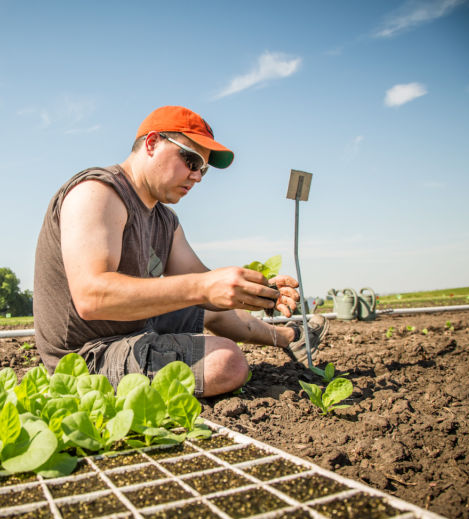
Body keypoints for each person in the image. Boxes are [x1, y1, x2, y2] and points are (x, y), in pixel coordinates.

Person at [33, 106, 328, 397]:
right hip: (84, 359)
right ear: (151, 143)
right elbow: (91, 296)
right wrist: (203, 288)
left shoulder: (165, 220)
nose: (197, 176)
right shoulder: (97, 192)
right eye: (191, 160)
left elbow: (204, 286)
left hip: (133, 330)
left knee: (205, 308)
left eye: (203, 169)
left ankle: (291, 338)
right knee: (227, 362)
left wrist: (258, 291)